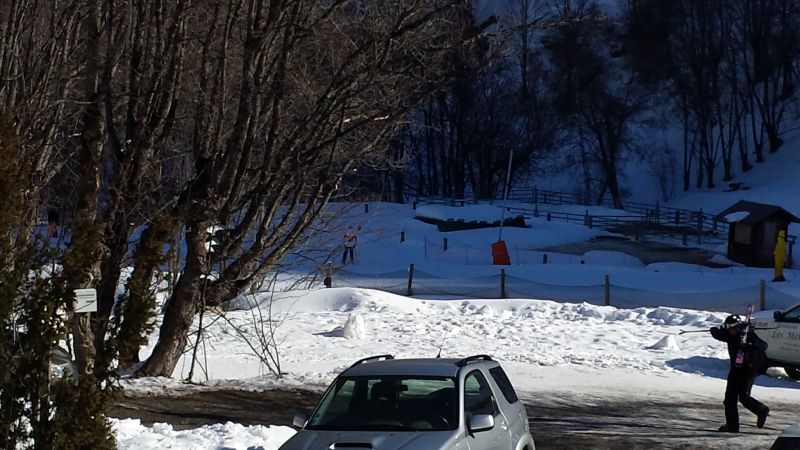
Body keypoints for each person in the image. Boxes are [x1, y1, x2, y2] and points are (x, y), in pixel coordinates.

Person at [710, 314, 770, 433]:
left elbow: (763, 345)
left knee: (744, 397)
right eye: (728, 328)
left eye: (731, 328)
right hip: (735, 370)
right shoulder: (729, 335)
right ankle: (732, 426)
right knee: (729, 400)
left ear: (737, 327)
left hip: (748, 370)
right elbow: (720, 335)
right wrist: (714, 331)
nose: (730, 331)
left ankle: (761, 410)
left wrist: (749, 346)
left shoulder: (748, 334)